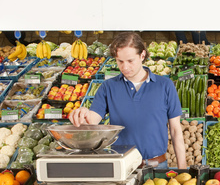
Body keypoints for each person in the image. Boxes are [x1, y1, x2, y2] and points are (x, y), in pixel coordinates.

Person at [68, 32, 187, 169]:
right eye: (120, 61)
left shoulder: (165, 85)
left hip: (157, 165)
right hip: (121, 165)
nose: (125, 67)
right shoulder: (108, 87)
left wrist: (182, 169)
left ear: (142, 55)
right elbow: (91, 121)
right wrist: (82, 114)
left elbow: (176, 130)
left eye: (130, 61)